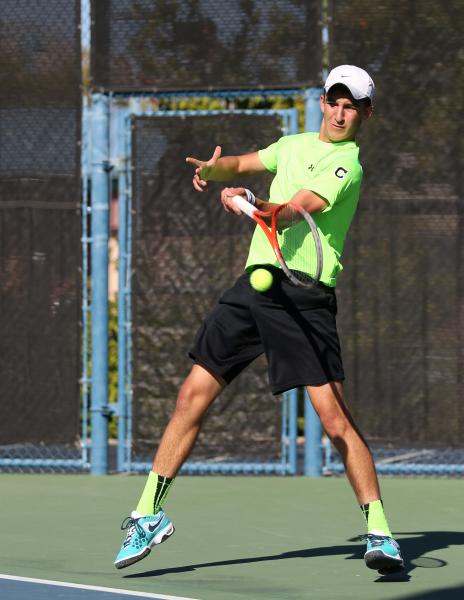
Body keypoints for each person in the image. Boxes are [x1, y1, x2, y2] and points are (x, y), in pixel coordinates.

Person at [114, 65, 404, 575]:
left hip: (303, 298)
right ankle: (148, 513)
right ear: (322, 102)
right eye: (334, 101)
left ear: (366, 113)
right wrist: (218, 172)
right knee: (190, 396)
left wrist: (253, 202)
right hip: (254, 287)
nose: (340, 113)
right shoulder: (291, 145)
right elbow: (247, 162)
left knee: (335, 422)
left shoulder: (347, 165)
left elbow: (295, 210)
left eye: (351, 105)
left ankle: (380, 531)